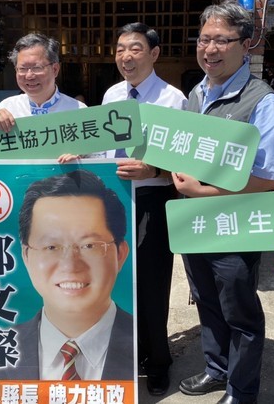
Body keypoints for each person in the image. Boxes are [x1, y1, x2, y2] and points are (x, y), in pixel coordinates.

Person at [172, 0, 274, 404]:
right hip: (194, 223)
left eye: (222, 40)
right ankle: (216, 368)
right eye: (204, 39)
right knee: (207, 301)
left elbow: (270, 178)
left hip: (235, 229)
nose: (210, 49)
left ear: (246, 44)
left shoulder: (264, 102)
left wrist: (201, 192)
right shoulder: (197, 92)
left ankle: (241, 390)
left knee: (240, 312)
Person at [0, 169, 133, 381]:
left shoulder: (143, 343)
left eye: (89, 245)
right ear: (26, 256)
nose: (70, 265)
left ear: (121, 253)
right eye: (51, 247)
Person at [101, 22, 187, 395]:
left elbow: (187, 161)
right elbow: (103, 148)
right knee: (116, 280)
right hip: (115, 196)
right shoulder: (111, 95)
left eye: (135, 48)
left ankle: (158, 361)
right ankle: (128, 353)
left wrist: (155, 170)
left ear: (153, 54)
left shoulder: (173, 99)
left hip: (154, 198)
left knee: (152, 284)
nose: (126, 56)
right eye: (120, 49)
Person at [0, 33, 86, 130]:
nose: (29, 76)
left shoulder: (78, 111)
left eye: (37, 68)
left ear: (55, 69)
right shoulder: (8, 108)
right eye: (22, 69)